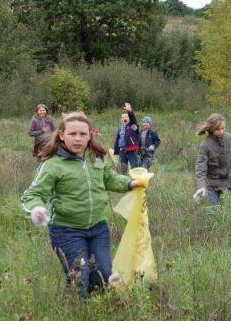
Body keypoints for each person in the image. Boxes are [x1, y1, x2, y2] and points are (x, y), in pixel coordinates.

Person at [21, 112, 145, 297]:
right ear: (62, 134)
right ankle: (73, 308)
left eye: (82, 134)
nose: (78, 139)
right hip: (66, 231)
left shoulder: (96, 157)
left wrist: (128, 183)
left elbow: (109, 178)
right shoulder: (53, 164)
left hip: (98, 228)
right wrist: (36, 209)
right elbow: (32, 195)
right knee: (79, 279)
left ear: (89, 135)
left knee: (104, 275)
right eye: (72, 134)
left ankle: (94, 308)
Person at [193, 114, 231, 214]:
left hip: (230, 177)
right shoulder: (205, 145)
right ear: (211, 129)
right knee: (213, 209)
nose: (221, 131)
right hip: (212, 182)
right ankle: (213, 228)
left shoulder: (228, 137)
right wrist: (201, 186)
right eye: (218, 129)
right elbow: (200, 169)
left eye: (223, 128)